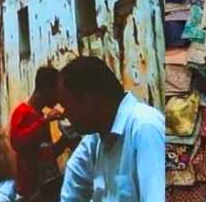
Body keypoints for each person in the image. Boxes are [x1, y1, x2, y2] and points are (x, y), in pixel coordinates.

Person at [57, 57, 165, 202]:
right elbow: (72, 191)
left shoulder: (145, 128)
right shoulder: (94, 141)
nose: (64, 113)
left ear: (88, 100)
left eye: (67, 104)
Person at [9, 66, 69, 201]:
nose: (58, 98)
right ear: (46, 89)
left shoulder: (41, 116)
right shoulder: (23, 111)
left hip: (46, 187)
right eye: (56, 91)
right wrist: (44, 121)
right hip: (30, 189)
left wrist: (64, 141)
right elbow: (17, 142)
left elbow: (44, 154)